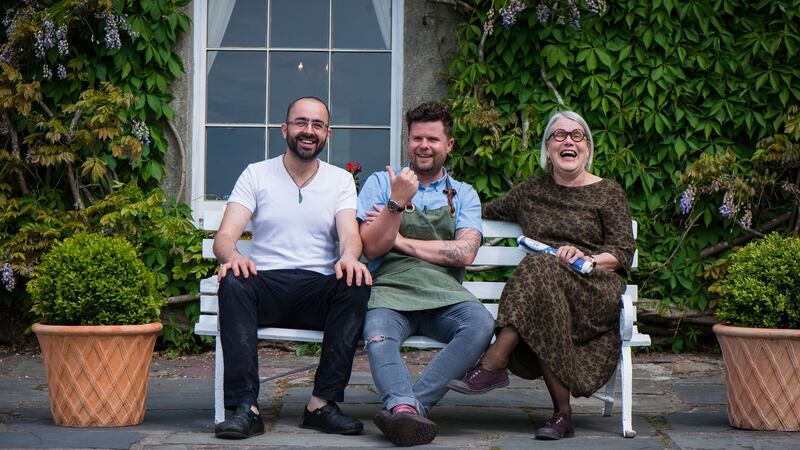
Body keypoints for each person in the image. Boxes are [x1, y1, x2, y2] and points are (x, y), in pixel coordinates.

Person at [447, 110, 636, 441]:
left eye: (577, 136)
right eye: (559, 136)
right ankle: (562, 416)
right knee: (542, 277)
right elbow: (481, 211)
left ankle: (494, 361)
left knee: (539, 266)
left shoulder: (608, 192)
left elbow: (621, 252)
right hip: (546, 292)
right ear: (547, 149)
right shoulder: (530, 191)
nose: (568, 142)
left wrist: (586, 256)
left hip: (593, 289)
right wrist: (435, 200)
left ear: (588, 148)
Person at [212, 96, 372, 439]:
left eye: (317, 125)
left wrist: (348, 256)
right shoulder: (256, 174)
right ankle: (245, 408)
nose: (308, 131)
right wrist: (233, 257)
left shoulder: (340, 180)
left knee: (356, 283)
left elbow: (350, 236)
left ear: (328, 133)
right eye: (301, 122)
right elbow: (225, 237)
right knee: (233, 281)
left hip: (318, 289)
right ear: (285, 129)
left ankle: (321, 405)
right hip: (265, 286)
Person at [357, 102, 496, 446]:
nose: (423, 145)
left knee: (480, 324)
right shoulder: (380, 183)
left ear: (448, 145)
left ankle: (407, 408)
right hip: (390, 290)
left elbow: (465, 252)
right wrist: (396, 202)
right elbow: (372, 248)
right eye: (417, 137)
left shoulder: (463, 194)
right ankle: (406, 410)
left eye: (432, 139)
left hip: (445, 295)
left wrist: (399, 238)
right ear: (408, 141)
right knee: (376, 331)